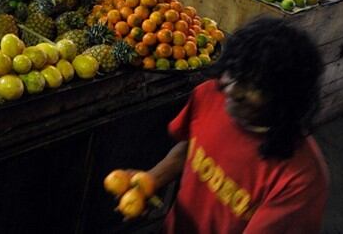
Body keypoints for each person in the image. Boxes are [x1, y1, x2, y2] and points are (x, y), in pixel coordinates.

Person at [136, 17, 329, 233]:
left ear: (285, 99)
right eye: (234, 74)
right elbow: (191, 147)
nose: (232, 91)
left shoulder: (301, 180)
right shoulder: (210, 94)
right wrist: (149, 181)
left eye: (254, 86)